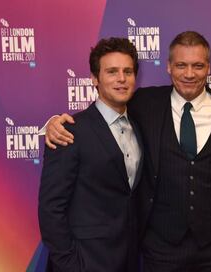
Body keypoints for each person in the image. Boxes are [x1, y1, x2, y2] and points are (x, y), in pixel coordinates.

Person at [44, 31, 211, 272]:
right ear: (169, 67)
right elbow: (103, 110)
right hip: (160, 250)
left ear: (208, 68)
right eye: (181, 65)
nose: (189, 74)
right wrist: (54, 123)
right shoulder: (145, 102)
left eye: (198, 65)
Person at [38, 37, 143, 272]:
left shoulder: (140, 125)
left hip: (129, 260)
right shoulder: (69, 131)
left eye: (128, 71)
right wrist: (71, 264)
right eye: (112, 71)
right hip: (85, 262)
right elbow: (51, 208)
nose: (121, 79)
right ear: (95, 79)